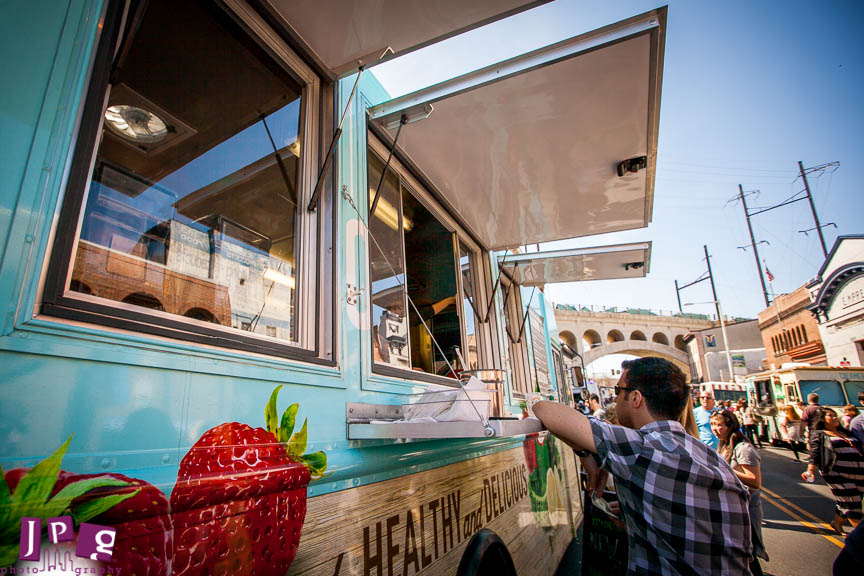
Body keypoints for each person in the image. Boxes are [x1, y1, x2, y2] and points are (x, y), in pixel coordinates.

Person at [533, 357, 752, 575]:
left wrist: (584, 454)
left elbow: (545, 410)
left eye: (618, 390)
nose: (615, 398)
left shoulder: (641, 449)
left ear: (636, 398)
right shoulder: (712, 459)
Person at [711, 410, 769, 576]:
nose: (715, 429)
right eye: (713, 424)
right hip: (733, 508)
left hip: (747, 509)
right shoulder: (724, 445)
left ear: (730, 425)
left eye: (719, 425)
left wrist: (724, 470)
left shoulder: (744, 448)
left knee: (748, 555)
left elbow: (754, 481)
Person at [814, 407, 864, 535]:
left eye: (835, 415)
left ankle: (837, 523)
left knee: (847, 501)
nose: (835, 417)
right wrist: (810, 469)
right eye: (830, 415)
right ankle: (860, 537)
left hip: (858, 474)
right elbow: (814, 453)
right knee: (853, 504)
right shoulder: (820, 434)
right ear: (822, 419)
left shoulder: (846, 432)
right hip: (836, 473)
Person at [801, 393, 824, 483]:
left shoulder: (808, 409)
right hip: (822, 432)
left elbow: (804, 421)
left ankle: (811, 468)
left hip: (813, 431)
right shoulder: (822, 408)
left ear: (808, 399)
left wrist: (801, 432)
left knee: (813, 449)